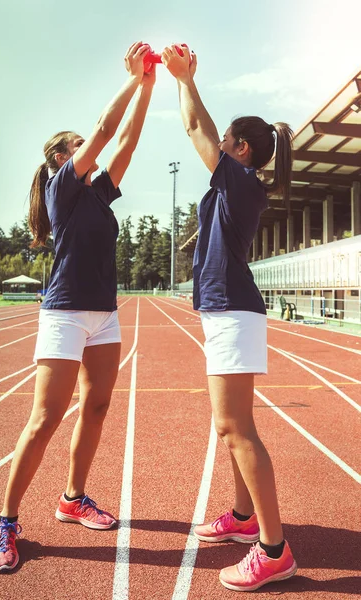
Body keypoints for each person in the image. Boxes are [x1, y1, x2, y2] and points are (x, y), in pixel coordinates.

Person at [0, 42, 156, 572]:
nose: (93, 150)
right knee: (44, 419)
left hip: (103, 314)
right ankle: (7, 523)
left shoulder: (100, 194)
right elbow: (107, 129)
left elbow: (124, 141)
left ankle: (72, 497)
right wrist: (131, 78)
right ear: (62, 158)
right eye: (79, 146)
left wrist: (150, 87)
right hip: (63, 313)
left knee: (98, 408)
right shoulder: (63, 187)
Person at [162, 45, 297, 592]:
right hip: (225, 309)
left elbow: (196, 127)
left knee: (234, 428)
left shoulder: (241, 181)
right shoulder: (234, 182)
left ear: (240, 148)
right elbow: (199, 129)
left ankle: (274, 550)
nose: (215, 146)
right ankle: (244, 519)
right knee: (232, 428)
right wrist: (181, 81)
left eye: (225, 142)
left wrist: (185, 79)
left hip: (234, 312)